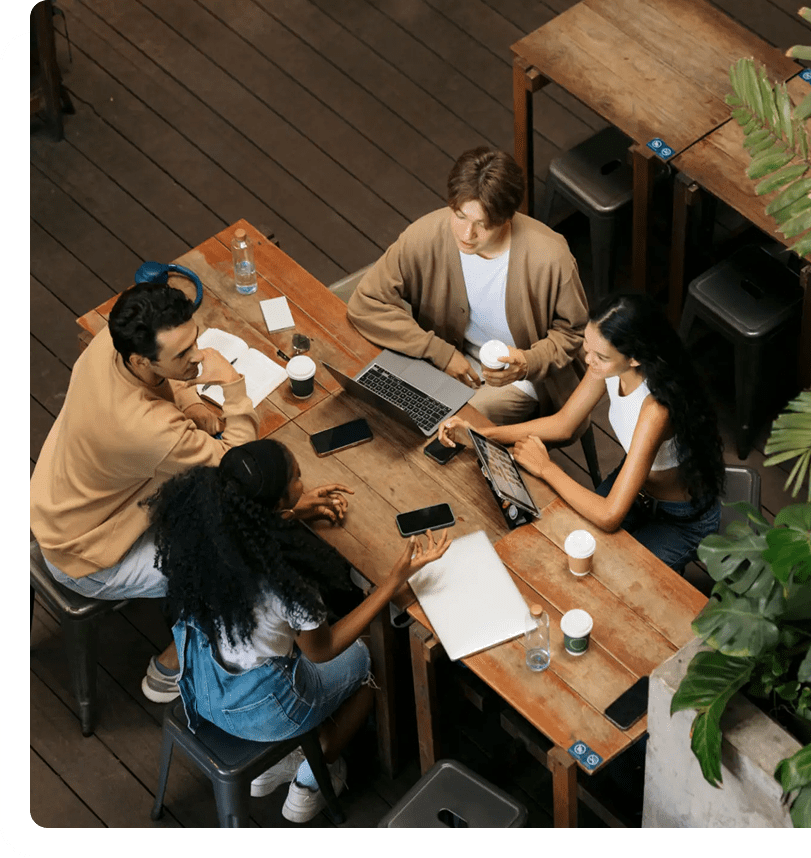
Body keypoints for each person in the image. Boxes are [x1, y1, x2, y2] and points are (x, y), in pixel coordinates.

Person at [144, 439, 451, 823]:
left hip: (205, 694)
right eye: (297, 478)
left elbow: (249, 529)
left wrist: (287, 512)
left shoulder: (200, 542)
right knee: (369, 655)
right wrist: (391, 584)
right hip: (268, 709)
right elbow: (324, 650)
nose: (303, 482)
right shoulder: (288, 586)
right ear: (274, 501)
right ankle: (312, 775)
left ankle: (275, 761)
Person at [29, 282, 260, 703]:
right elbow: (237, 462)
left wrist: (189, 400)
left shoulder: (110, 342)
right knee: (233, 557)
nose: (197, 357)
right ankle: (171, 667)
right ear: (141, 359)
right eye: (183, 355)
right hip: (86, 555)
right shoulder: (148, 430)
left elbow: (167, 382)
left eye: (195, 341)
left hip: (56, 504)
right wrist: (233, 384)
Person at [440, 294, 725, 571]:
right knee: (570, 549)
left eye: (600, 356)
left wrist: (545, 468)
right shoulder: (606, 365)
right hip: (636, 491)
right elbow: (564, 423)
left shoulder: (655, 409)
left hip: (679, 519)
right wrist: (485, 433)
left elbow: (610, 515)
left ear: (635, 358)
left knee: (611, 578)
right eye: (587, 347)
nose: (589, 360)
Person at [347, 146, 589, 427]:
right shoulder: (427, 235)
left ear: (507, 218)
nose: (466, 234)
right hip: (447, 361)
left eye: (481, 225)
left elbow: (573, 333)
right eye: (459, 215)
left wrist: (526, 361)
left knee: (449, 422)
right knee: (385, 402)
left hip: (522, 378)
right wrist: (440, 352)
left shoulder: (550, 258)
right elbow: (366, 302)